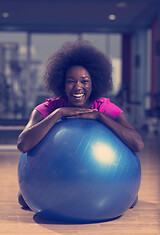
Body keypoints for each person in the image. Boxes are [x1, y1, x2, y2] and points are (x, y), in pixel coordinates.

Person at [17, 40, 144, 209]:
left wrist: (99, 117)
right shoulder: (48, 108)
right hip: (54, 178)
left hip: (100, 180)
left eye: (84, 81)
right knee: (23, 199)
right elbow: (23, 144)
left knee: (130, 199)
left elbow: (138, 144)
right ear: (62, 83)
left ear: (94, 82)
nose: (78, 87)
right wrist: (59, 113)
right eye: (71, 81)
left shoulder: (104, 107)